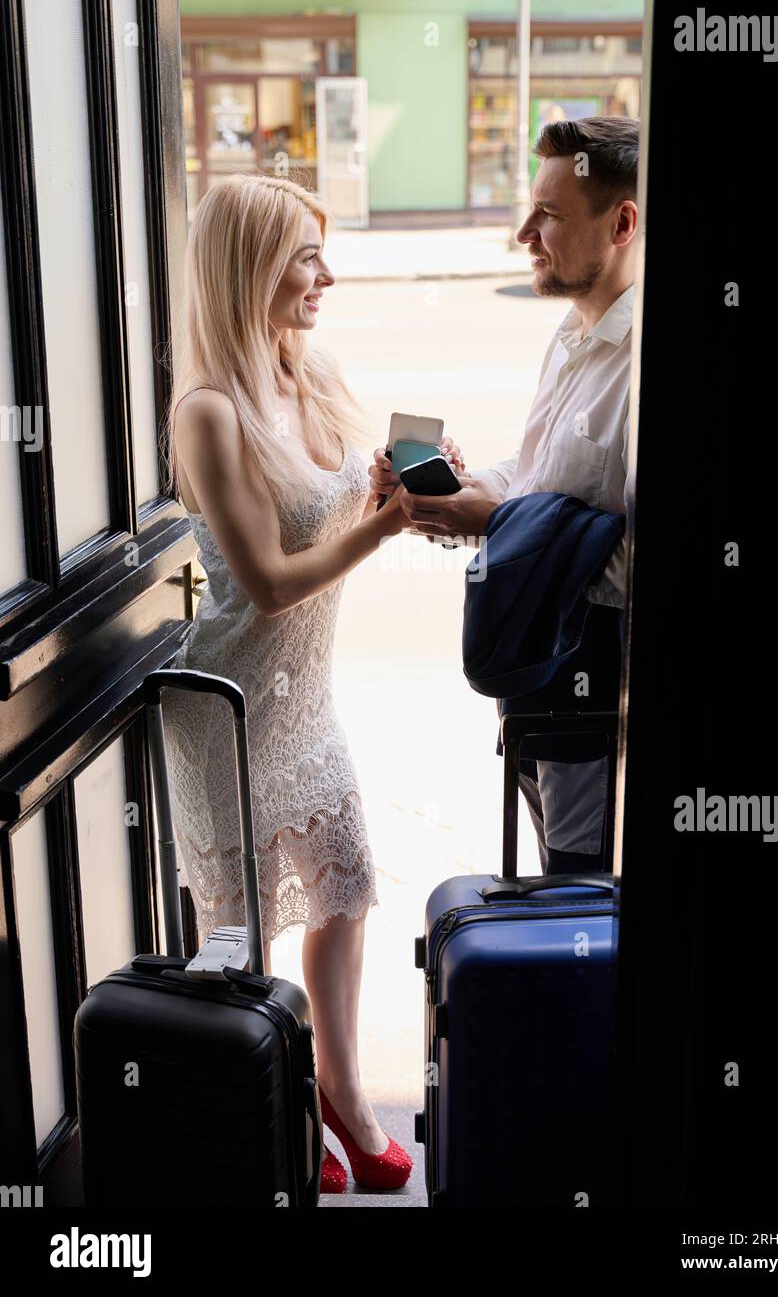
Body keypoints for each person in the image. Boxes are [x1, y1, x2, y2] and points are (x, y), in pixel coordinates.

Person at [161, 172, 461, 1193]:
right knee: (243, 931)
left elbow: (328, 503)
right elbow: (269, 583)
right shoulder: (208, 412)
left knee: (344, 887)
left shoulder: (312, 370)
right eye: (304, 255)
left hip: (308, 698)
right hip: (232, 705)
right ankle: (274, 1100)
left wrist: (391, 484)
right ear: (248, 269)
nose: (325, 275)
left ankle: (339, 1086)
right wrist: (382, 530)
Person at [369, 116, 639, 875]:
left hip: (596, 693)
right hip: (536, 678)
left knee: (579, 890)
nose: (524, 232)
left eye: (548, 214)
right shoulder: (570, 334)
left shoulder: (647, 365)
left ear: (622, 223)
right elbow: (535, 474)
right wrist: (462, 490)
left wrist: (496, 521)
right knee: (552, 860)